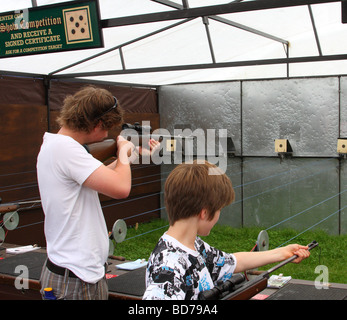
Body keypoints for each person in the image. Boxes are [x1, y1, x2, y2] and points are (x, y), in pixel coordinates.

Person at [37, 86, 158, 300]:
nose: (107, 134)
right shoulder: (66, 149)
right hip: (74, 279)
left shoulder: (59, 146)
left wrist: (130, 155)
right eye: (107, 128)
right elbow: (121, 188)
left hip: (77, 275)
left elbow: (104, 176)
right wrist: (122, 151)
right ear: (98, 124)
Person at [143, 160, 311, 300]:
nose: (218, 216)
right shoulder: (167, 270)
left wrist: (283, 253)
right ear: (205, 212)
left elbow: (233, 262)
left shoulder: (194, 246)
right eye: (219, 209)